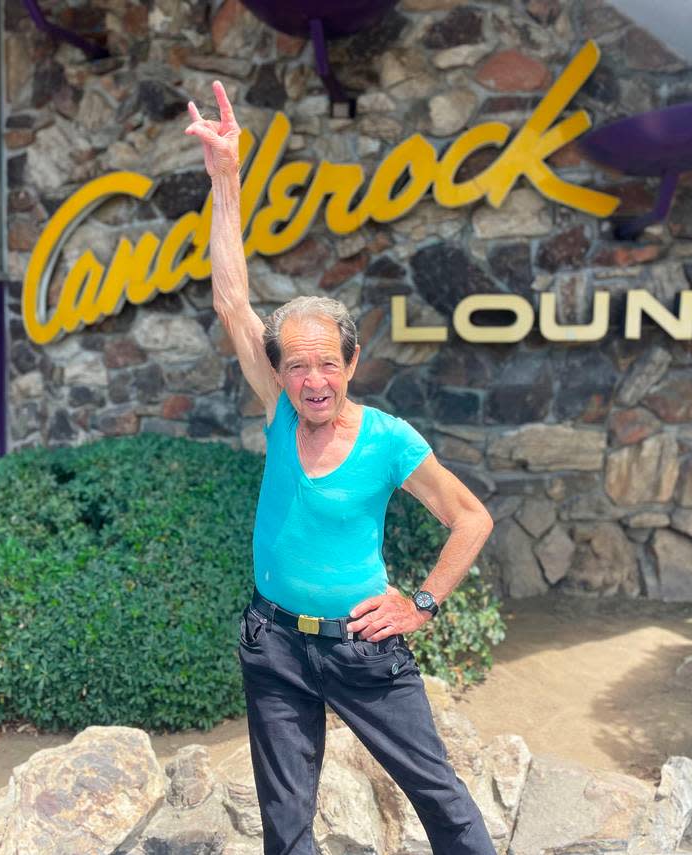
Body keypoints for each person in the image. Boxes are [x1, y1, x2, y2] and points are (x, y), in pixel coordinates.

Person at [185, 80, 499, 855]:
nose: (313, 379)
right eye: (297, 365)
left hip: (363, 650)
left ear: (353, 362)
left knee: (440, 798)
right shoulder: (281, 409)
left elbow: (472, 517)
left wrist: (422, 603)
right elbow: (232, 300)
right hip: (276, 645)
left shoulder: (388, 439)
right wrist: (226, 179)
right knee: (286, 828)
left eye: (328, 362)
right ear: (281, 373)